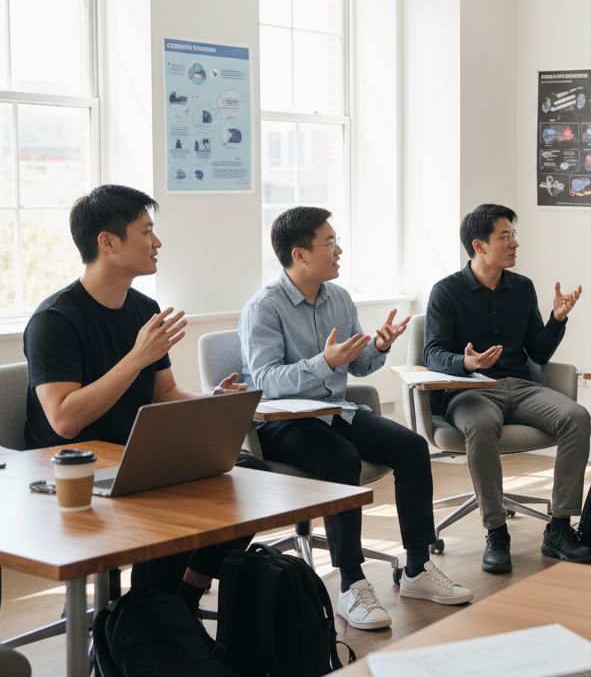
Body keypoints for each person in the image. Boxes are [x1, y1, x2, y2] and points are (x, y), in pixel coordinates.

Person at [239, 207, 472, 630]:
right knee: (340, 459)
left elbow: (358, 367)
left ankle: (418, 568)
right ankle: (351, 583)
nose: (339, 250)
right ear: (300, 254)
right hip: (281, 422)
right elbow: (267, 382)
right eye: (329, 243)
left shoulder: (338, 298)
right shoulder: (264, 308)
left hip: (334, 411)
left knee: (412, 447)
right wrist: (323, 362)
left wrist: (378, 347)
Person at [24, 184, 254, 612]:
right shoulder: (53, 320)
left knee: (246, 473)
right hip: (71, 469)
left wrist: (210, 401)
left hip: (130, 454)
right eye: (146, 231)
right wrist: (135, 358)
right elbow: (63, 420)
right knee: (170, 496)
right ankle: (150, 618)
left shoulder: (143, 308)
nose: (158, 242)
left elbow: (164, 392)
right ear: (107, 242)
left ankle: (178, 600)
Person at [423, 204, 591, 574]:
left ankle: (560, 527)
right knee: (481, 426)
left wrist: (557, 319)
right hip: (470, 391)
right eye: (505, 236)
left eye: (514, 235)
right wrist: (465, 363)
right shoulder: (446, 291)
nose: (515, 243)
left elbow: (539, 351)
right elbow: (432, 352)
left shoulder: (522, 287)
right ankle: (496, 531)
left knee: (576, 417)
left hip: (519, 386)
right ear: (479, 245)